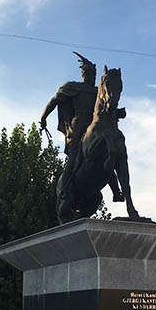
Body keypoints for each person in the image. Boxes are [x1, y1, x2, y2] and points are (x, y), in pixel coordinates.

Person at [40, 52, 124, 203]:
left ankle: (116, 191)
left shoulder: (97, 91)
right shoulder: (73, 87)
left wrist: (117, 112)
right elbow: (54, 100)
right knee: (74, 159)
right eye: (88, 72)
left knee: (109, 152)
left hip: (95, 125)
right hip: (78, 128)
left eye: (93, 73)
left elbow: (103, 107)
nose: (91, 76)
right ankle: (65, 189)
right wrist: (43, 117)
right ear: (83, 74)